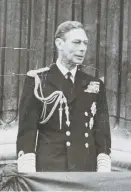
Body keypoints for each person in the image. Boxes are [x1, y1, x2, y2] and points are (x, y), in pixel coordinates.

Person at [16, 21, 112, 172]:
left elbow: (102, 133)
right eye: (76, 42)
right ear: (59, 43)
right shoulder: (38, 81)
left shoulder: (94, 84)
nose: (82, 48)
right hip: (50, 172)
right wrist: (30, 175)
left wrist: (103, 172)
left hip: (86, 171)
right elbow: (27, 132)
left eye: (85, 43)